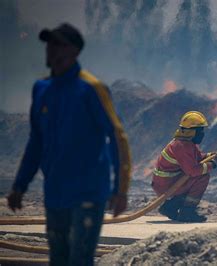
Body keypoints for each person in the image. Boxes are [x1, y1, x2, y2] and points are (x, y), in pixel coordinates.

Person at [6, 23, 132, 266]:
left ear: (74, 51)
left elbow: (118, 137)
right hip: (55, 193)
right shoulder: (42, 89)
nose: (52, 50)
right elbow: (36, 141)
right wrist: (19, 185)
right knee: (59, 260)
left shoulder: (91, 89)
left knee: (80, 259)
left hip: (88, 192)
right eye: (50, 44)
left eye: (59, 45)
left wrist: (120, 190)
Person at [152, 111, 217, 223]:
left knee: (192, 178)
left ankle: (170, 207)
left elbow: (199, 158)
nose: (202, 134)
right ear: (191, 132)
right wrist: (213, 163)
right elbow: (193, 170)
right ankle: (187, 212)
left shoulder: (186, 144)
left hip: (168, 182)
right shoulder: (181, 146)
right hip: (167, 184)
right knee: (201, 177)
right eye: (199, 131)